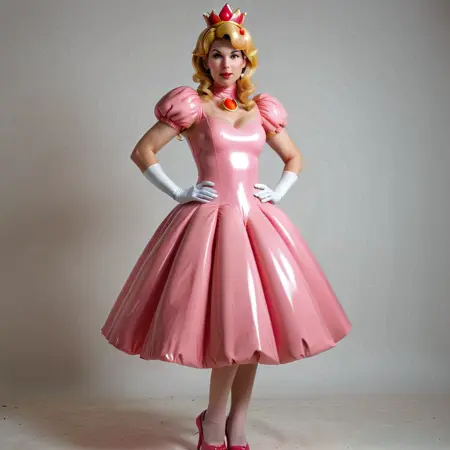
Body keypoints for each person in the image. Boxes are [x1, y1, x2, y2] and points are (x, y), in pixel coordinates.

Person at [101, 3, 352, 450]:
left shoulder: (261, 109)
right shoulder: (192, 106)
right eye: (217, 54)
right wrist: (179, 192)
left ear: (246, 60)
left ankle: (237, 423)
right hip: (211, 226)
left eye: (234, 55)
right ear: (205, 59)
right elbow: (143, 152)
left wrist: (278, 191)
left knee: (255, 332)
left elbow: (294, 157)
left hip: (257, 225)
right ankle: (213, 423)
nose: (226, 63)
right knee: (233, 329)